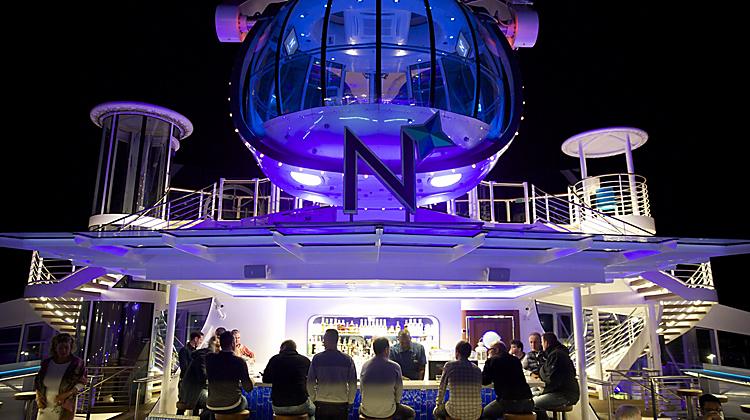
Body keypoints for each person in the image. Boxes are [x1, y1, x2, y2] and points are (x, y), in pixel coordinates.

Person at [359, 337, 416, 420]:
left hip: (366, 411)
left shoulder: (365, 365)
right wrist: (395, 403)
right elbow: (399, 392)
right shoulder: (395, 367)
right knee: (410, 413)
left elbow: (362, 389)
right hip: (388, 412)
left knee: (359, 410)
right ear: (386, 349)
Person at [34, 333, 87, 420]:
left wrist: (66, 394)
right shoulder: (47, 363)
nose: (64, 350)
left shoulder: (77, 363)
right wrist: (38, 396)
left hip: (65, 403)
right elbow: (38, 382)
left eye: (66, 347)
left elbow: (82, 382)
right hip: (45, 404)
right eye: (60, 348)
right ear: (55, 348)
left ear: (71, 348)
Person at [307, 329, 357, 420]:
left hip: (322, 402)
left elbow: (310, 383)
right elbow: (353, 384)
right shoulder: (347, 359)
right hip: (341, 402)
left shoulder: (317, 358)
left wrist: (314, 398)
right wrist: (350, 401)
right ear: (337, 341)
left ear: (326, 340)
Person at [263, 339, 316, 420]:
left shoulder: (274, 359)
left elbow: (265, 379)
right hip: (300, 404)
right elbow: (311, 380)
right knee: (313, 411)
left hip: (278, 407)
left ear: (282, 348)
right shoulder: (305, 360)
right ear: (295, 348)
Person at [480, 341, 534, 419]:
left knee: (485, 414)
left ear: (497, 350)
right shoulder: (515, 360)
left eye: (490, 349)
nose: (488, 352)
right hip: (528, 403)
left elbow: (485, 381)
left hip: (510, 403)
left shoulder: (493, 360)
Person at [205, 331, 254, 416]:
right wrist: (252, 381)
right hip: (232, 404)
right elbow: (248, 388)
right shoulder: (239, 362)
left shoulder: (209, 358)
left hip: (211, 404)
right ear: (233, 344)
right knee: (245, 401)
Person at [533, 332, 580, 420]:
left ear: (546, 343)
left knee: (533, 403)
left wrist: (542, 372)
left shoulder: (556, 355)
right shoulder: (557, 354)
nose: (541, 345)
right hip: (561, 391)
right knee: (530, 395)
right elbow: (546, 374)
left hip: (564, 394)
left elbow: (550, 378)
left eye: (542, 342)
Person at [434, 341, 483, 420]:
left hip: (454, 413)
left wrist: (438, 404)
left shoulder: (449, 365)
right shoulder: (477, 369)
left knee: (437, 412)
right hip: (476, 414)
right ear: (469, 354)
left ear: (457, 352)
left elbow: (442, 388)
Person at [177, 331, 204, 414]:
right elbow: (184, 368)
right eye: (200, 340)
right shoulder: (184, 351)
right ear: (196, 339)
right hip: (186, 383)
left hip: (194, 383)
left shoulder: (196, 352)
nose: (201, 342)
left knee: (196, 405)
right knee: (182, 406)